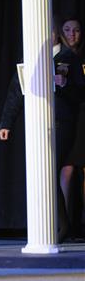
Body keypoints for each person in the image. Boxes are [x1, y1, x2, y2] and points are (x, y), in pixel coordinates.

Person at [0, 21, 84, 241]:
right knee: (43, 174)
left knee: (51, 170)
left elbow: (80, 94)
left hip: (62, 123)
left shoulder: (68, 58)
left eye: (49, 31)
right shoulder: (30, 58)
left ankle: (63, 227)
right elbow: (16, 91)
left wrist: (65, 84)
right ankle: (57, 226)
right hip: (38, 124)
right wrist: (6, 123)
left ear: (55, 33)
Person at [59, 17, 85, 237]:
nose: (72, 34)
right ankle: (64, 222)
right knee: (66, 168)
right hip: (70, 119)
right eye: (67, 30)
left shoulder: (80, 58)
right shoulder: (58, 58)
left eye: (76, 30)